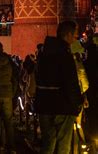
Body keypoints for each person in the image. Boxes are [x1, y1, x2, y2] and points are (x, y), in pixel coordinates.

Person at [35, 21, 83, 154]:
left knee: (48, 143)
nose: (76, 37)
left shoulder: (44, 54)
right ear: (68, 35)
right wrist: (78, 102)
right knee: (63, 144)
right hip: (62, 105)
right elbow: (71, 82)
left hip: (44, 105)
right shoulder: (65, 55)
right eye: (75, 34)